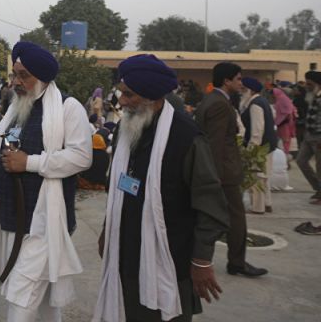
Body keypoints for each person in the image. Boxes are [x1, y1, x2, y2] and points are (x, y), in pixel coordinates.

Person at [94, 54, 230, 322]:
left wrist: (202, 259)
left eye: (128, 95)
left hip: (170, 256)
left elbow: (210, 203)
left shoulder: (186, 137)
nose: (121, 101)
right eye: (121, 93)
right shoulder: (126, 127)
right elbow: (119, 187)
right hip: (126, 251)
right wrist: (107, 230)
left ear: (151, 97)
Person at [0, 41, 92, 322]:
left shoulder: (69, 108)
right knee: (44, 303)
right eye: (15, 75)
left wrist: (30, 162)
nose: (17, 82)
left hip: (44, 222)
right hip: (13, 219)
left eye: (24, 76)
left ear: (42, 78)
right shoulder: (15, 107)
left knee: (21, 300)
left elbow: (81, 157)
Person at [194, 62, 268, 277]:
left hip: (220, 171)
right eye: (237, 78)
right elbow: (215, 144)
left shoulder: (213, 100)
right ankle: (237, 262)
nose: (240, 82)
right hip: (223, 173)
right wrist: (214, 176)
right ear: (226, 81)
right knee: (236, 219)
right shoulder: (219, 104)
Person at [240, 77, 278, 214]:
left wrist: (251, 150)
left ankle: (258, 207)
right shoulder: (261, 101)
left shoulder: (255, 104)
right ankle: (267, 204)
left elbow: (257, 130)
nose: (241, 92)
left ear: (249, 90)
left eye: (243, 89)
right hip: (268, 145)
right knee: (264, 176)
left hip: (260, 146)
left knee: (257, 177)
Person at [296, 71, 321, 204]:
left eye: (309, 83)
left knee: (320, 167)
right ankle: (318, 189)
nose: (307, 86)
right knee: (301, 161)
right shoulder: (312, 96)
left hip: (319, 137)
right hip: (309, 135)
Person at [272, 87, 296, 156]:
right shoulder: (280, 98)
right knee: (283, 139)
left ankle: (286, 156)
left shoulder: (283, 99)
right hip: (283, 122)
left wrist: (283, 120)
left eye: (273, 93)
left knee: (286, 140)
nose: (272, 95)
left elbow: (288, 111)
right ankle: (284, 155)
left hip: (285, 123)